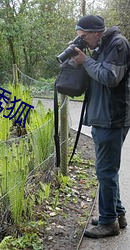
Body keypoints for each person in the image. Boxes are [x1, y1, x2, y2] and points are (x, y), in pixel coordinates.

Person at [72, 15, 130, 238]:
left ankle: (108, 223)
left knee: (105, 171)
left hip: (112, 118)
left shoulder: (118, 44)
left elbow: (109, 77)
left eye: (84, 37)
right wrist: (82, 60)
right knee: (107, 171)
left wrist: (85, 61)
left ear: (96, 32)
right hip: (102, 117)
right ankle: (117, 214)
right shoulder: (101, 46)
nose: (83, 41)